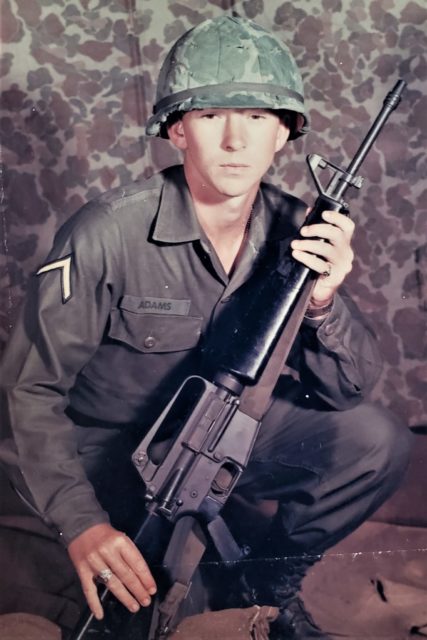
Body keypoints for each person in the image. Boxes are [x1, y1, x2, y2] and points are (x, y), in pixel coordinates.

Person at [0, 15, 412, 640]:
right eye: (212, 115)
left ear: (283, 134)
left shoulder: (297, 227)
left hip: (231, 431)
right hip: (108, 456)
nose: (235, 141)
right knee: (153, 615)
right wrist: (82, 523)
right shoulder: (106, 233)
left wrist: (325, 299)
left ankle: (268, 580)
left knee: (374, 439)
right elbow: (27, 393)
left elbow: (347, 390)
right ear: (176, 130)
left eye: (256, 118)